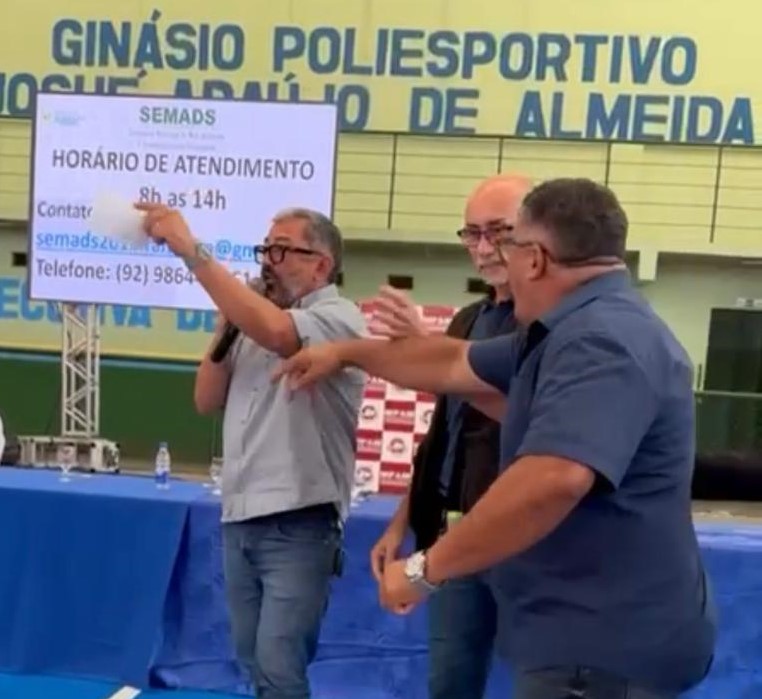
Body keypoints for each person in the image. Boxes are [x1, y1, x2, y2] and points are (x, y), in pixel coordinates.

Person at [272, 178, 717, 699]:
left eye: (507, 243)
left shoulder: (601, 341)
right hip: (588, 634)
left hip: (599, 650)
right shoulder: (567, 329)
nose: (492, 256)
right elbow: (452, 362)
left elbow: (552, 479)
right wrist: (345, 353)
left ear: (535, 259)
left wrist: (424, 568)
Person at [138, 203, 367, 699]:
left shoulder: (339, 318)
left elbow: (281, 335)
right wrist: (228, 324)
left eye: (282, 250)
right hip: (241, 515)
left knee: (280, 664)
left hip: (299, 519)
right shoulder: (253, 322)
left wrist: (192, 252)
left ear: (321, 264)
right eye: (266, 249)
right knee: (252, 661)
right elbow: (206, 399)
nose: (268, 261)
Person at [369, 174, 530, 699]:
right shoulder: (468, 319)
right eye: (472, 234)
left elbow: (528, 420)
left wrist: (427, 349)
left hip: (528, 539)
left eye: (499, 232)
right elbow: (443, 435)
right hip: (453, 537)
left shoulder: (555, 325)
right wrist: (402, 523)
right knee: (450, 683)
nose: (484, 249)